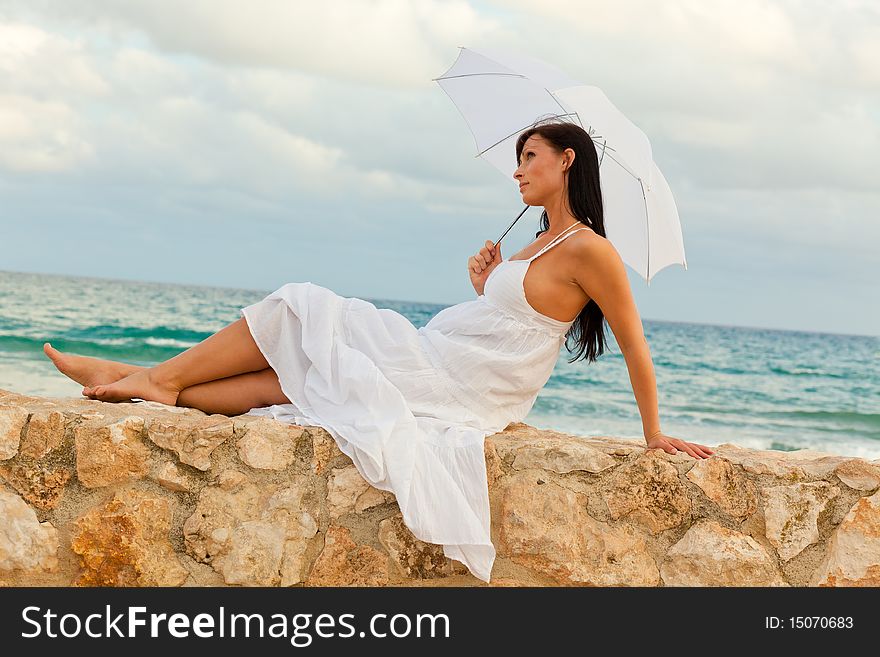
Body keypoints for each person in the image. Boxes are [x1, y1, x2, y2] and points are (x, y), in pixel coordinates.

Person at [43, 119, 713, 584]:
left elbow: (633, 343)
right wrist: (486, 284)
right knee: (295, 376)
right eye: (517, 159)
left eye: (530, 156)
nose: (517, 171)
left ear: (567, 159)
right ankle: (154, 384)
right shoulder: (537, 240)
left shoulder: (591, 249)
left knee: (299, 306)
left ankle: (150, 378)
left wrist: (652, 432)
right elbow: (510, 317)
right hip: (444, 351)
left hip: (462, 384)